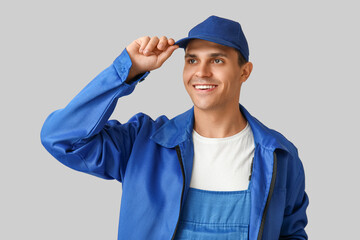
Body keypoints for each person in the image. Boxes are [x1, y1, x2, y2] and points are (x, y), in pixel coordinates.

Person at [41, 15, 309, 240]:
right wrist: (127, 70)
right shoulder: (143, 144)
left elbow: (291, 234)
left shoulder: (279, 156)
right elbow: (60, 137)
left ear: (244, 72)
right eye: (192, 60)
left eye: (217, 60)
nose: (201, 72)